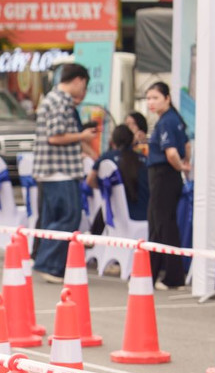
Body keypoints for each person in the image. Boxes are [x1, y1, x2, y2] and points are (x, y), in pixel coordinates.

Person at [31, 63, 96, 282]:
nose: (83, 90)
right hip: (61, 170)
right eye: (84, 85)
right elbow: (55, 136)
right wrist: (83, 136)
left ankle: (49, 264)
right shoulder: (61, 101)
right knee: (69, 217)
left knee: (53, 219)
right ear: (78, 80)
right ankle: (49, 264)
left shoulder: (51, 98)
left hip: (51, 170)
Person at [144, 81, 190, 290]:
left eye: (155, 97)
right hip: (166, 177)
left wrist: (180, 166)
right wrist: (185, 165)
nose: (150, 102)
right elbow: (186, 145)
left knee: (161, 226)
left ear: (167, 99)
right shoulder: (174, 119)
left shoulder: (166, 122)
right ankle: (159, 275)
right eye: (148, 98)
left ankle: (168, 277)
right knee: (163, 225)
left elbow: (171, 152)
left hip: (163, 176)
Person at [87, 124, 149, 227]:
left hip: (119, 219)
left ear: (113, 141)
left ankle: (91, 236)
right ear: (132, 140)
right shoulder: (144, 159)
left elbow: (90, 181)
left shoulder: (107, 157)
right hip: (147, 218)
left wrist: (106, 187)